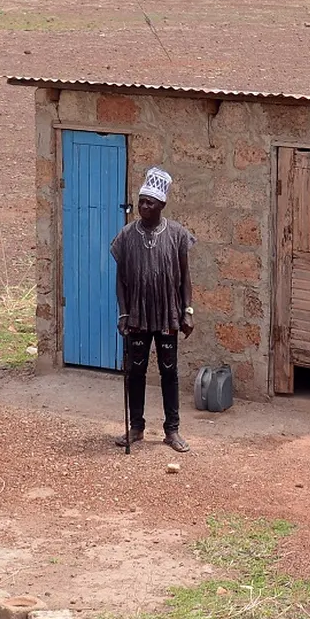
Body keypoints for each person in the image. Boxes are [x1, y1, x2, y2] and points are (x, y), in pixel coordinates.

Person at [110, 166, 195, 453]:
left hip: (168, 314)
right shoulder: (126, 236)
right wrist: (123, 313)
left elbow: (185, 278)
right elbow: (121, 280)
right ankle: (136, 428)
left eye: (150, 203)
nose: (144, 206)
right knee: (136, 371)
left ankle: (172, 430)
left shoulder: (177, 235)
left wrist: (188, 312)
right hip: (137, 315)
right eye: (141, 201)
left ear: (162, 205)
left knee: (169, 372)